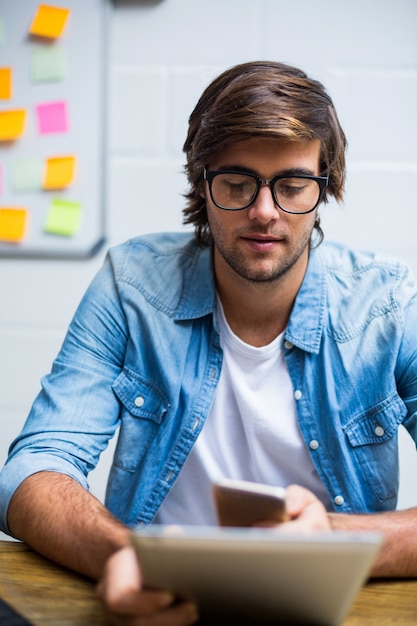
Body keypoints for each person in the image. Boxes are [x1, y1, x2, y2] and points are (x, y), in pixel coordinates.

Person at [1, 60, 417, 625]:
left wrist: (333, 538)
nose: (264, 211)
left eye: (292, 185)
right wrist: (123, 557)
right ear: (203, 183)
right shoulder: (132, 285)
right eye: (238, 183)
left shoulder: (389, 304)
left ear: (325, 187)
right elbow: (34, 467)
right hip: (159, 607)